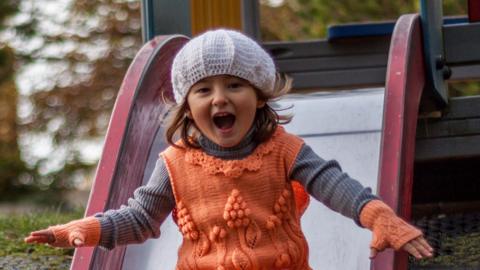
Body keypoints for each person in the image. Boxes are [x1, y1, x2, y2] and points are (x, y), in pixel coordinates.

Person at [25, 29, 433, 269]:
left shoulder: (283, 150)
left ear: (258, 98)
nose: (219, 99)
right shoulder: (174, 163)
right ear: (188, 107)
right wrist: (87, 229)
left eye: (234, 86)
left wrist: (377, 215)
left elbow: (333, 183)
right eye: (204, 90)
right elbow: (140, 218)